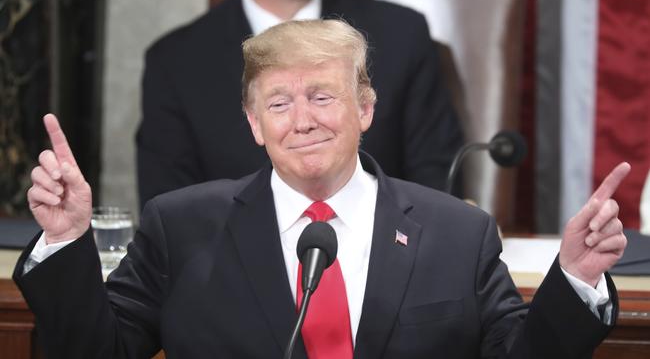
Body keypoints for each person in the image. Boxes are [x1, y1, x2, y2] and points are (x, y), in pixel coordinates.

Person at [18, 20, 629, 358]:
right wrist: (66, 239)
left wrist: (574, 276)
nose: (302, 119)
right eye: (279, 102)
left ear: (365, 109)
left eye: (322, 96)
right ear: (255, 124)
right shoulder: (181, 226)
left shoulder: (457, 233)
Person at [137, 0, 463, 209]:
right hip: (232, 282)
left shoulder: (401, 34)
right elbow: (169, 207)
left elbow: (436, 180)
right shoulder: (176, 60)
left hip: (383, 272)